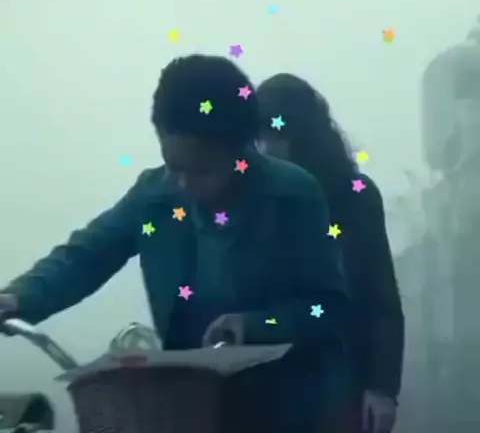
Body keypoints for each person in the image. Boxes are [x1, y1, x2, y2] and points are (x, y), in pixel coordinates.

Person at [0, 56, 352, 433]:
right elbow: (86, 256)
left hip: (285, 413)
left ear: (242, 151)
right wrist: (19, 299)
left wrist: (256, 324)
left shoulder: (292, 196)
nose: (184, 183)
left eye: (203, 170)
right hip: (188, 412)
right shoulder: (155, 198)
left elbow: (327, 309)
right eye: (174, 166)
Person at [256, 73, 404, 433]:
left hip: (342, 384)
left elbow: (379, 297)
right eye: (260, 137)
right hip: (268, 389)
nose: (266, 148)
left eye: (276, 134)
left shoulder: (354, 196)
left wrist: (383, 388)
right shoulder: (258, 201)